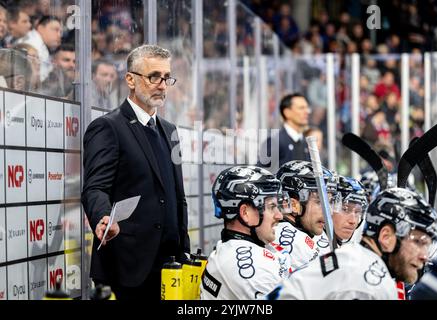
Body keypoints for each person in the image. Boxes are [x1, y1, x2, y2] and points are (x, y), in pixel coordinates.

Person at [82, 44, 190, 300]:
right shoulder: (108, 127)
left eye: (166, 78)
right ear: (130, 79)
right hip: (127, 266)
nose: (162, 85)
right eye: (153, 76)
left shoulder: (169, 129)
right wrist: (103, 216)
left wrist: (183, 250)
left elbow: (177, 195)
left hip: (170, 265)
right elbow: (95, 187)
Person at [268, 187, 437, 300]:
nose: (424, 255)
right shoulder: (373, 284)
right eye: (418, 241)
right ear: (386, 236)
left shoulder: (352, 256)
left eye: (426, 244)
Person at [200, 166, 291, 300]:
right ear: (245, 213)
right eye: (272, 207)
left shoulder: (231, 249)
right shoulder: (250, 268)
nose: (279, 216)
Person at [273, 160, 337, 269]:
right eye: (319, 202)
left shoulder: (308, 233)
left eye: (329, 202)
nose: (329, 212)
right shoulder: (297, 244)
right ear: (293, 205)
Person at [315, 175, 368, 254]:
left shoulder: (349, 249)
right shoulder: (312, 250)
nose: (353, 221)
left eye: (357, 212)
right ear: (328, 208)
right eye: (345, 209)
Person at [258, 93, 311, 171]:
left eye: (307, 108)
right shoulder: (275, 142)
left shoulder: (306, 143)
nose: (307, 111)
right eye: (301, 108)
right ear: (287, 112)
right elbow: (261, 173)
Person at [18, 15, 62, 81]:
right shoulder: (31, 43)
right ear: (40, 28)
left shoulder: (39, 44)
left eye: (60, 32)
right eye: (55, 30)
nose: (59, 35)